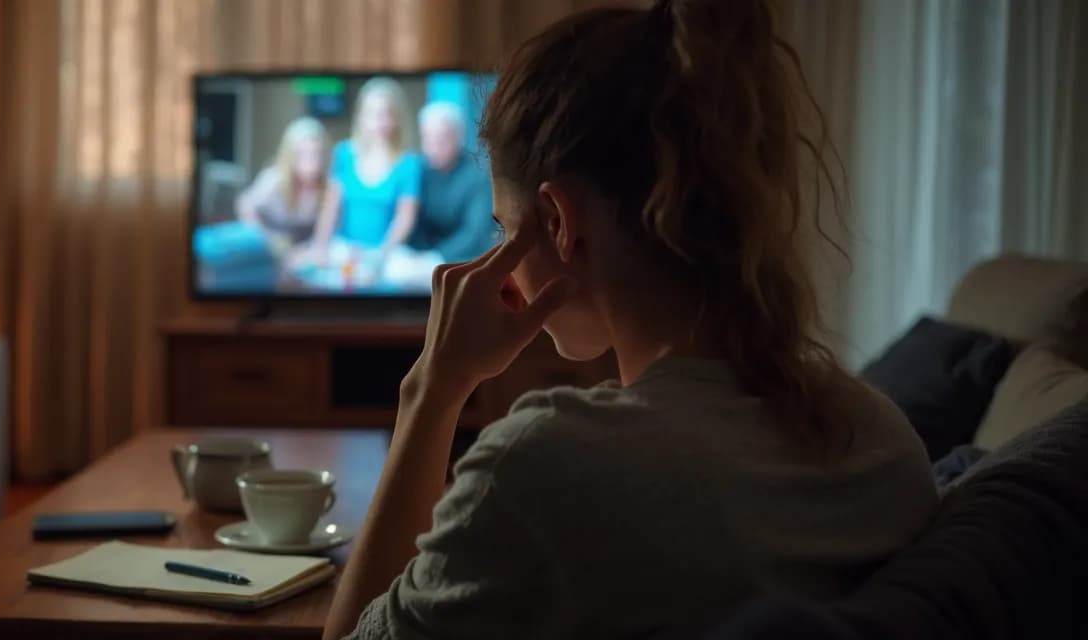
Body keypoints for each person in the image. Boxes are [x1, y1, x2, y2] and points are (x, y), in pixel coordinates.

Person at [324, 1, 938, 638]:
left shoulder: (540, 466)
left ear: (558, 222)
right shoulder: (882, 439)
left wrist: (432, 391)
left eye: (504, 227)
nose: (500, 261)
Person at [310, 77, 425, 268]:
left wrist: (380, 255)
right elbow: (330, 209)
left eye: (386, 114)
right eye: (372, 114)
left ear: (397, 118)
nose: (379, 122)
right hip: (344, 250)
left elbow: (405, 219)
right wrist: (320, 247)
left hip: (386, 254)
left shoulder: (409, 164)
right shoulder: (344, 154)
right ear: (361, 117)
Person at [408, 102, 497, 263]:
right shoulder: (417, 170)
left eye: (441, 139)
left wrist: (436, 257)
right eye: (427, 138)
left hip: (466, 262)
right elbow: (411, 221)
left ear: (458, 136)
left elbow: (476, 232)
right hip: (418, 262)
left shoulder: (477, 176)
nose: (433, 147)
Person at [235, 117, 331, 247]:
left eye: (317, 154)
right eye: (302, 154)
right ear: (289, 155)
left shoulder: (329, 188)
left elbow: (321, 241)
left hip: (302, 252)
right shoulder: (273, 180)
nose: (311, 163)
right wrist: (265, 239)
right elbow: (245, 205)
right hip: (269, 246)